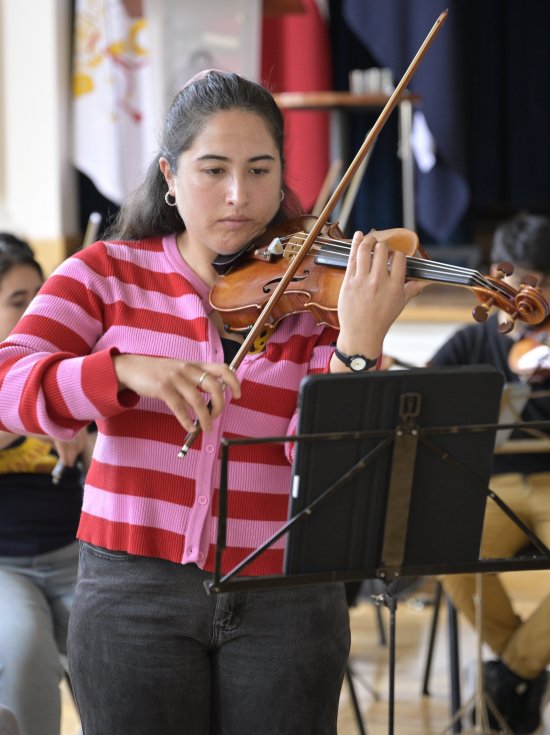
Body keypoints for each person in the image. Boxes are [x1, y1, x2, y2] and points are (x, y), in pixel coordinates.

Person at [0, 71, 423, 735]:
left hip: (285, 591)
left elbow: (325, 471)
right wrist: (119, 370)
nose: (239, 196)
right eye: (214, 169)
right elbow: (8, 384)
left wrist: (359, 345)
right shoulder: (104, 274)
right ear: (170, 175)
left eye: (260, 170)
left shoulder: (323, 297)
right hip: (133, 590)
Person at [429, 213, 550, 735]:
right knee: (445, 551)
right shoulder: (471, 342)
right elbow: (420, 401)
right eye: (521, 281)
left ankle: (513, 673)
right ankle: (524, 668)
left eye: (545, 283)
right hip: (493, 490)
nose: (532, 296)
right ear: (497, 278)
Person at [0, 233, 91, 735]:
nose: (36, 313)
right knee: (23, 647)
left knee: (116, 649)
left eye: (41, 297)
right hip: (5, 566)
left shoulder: (62, 371)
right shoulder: (34, 391)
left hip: (78, 554)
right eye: (18, 302)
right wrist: (31, 415)